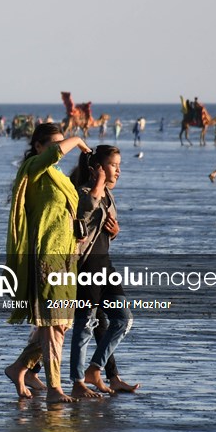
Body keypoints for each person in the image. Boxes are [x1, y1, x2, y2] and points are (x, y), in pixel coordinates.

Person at [2, 123, 90, 402]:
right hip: (45, 257)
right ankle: (54, 387)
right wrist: (75, 139)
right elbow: (54, 155)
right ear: (38, 147)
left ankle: (19, 367)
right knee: (52, 324)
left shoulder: (59, 176)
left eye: (60, 143)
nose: (58, 149)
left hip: (67, 258)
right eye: (52, 144)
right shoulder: (33, 168)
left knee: (61, 324)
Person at [67, 145, 138, 398]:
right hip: (86, 266)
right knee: (85, 325)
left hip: (105, 265)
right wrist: (97, 182)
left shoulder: (108, 194)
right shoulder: (84, 191)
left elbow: (102, 233)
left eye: (119, 165)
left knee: (124, 318)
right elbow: (84, 211)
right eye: (113, 165)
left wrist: (115, 233)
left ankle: (95, 368)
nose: (118, 170)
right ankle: (77, 381)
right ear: (97, 168)